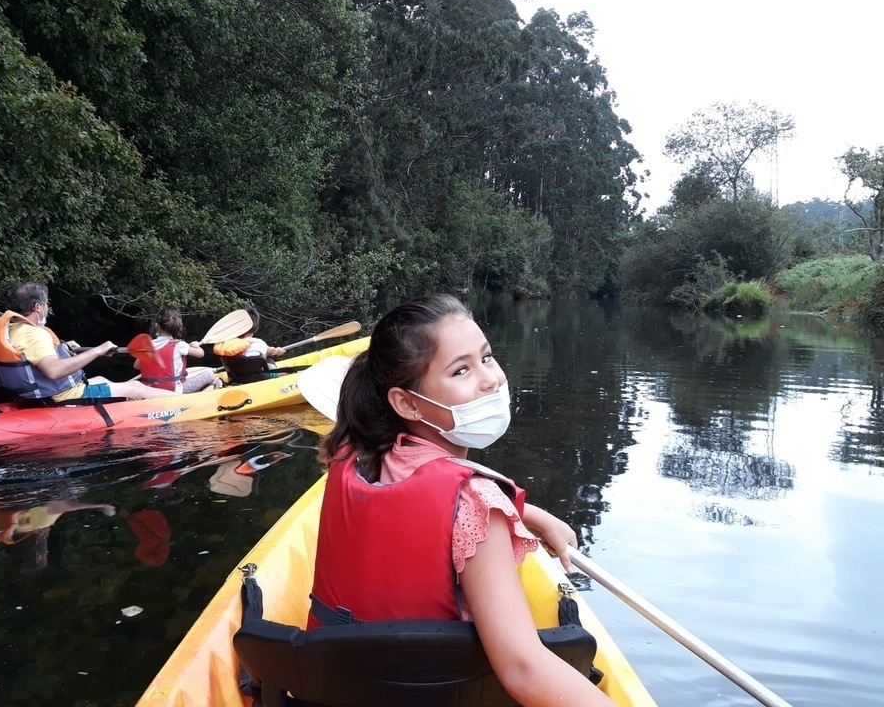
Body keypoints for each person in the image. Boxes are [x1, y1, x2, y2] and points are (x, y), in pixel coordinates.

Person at [307, 294, 616, 707]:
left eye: (487, 357)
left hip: (335, 688)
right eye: (461, 369)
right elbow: (524, 670)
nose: (492, 380)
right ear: (406, 403)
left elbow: (423, 506)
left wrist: (531, 514)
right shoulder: (477, 502)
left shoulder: (353, 454)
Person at [0, 281, 172, 401]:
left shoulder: (14, 328)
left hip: (40, 395)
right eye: (46, 304)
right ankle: (186, 403)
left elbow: (33, 358)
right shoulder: (35, 335)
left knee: (101, 378)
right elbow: (53, 370)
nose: (47, 307)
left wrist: (65, 348)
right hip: (64, 396)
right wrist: (98, 350)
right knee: (136, 387)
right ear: (37, 307)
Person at [134, 307, 222, 393]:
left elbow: (137, 365)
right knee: (209, 374)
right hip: (173, 392)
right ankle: (214, 385)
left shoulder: (148, 346)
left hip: (149, 391)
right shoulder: (180, 345)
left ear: (156, 325)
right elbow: (201, 354)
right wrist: (195, 345)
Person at [211, 306, 287, 384]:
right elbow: (271, 351)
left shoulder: (227, 344)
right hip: (260, 378)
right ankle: (276, 378)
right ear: (256, 328)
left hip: (237, 378)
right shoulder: (259, 343)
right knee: (270, 360)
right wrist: (278, 350)